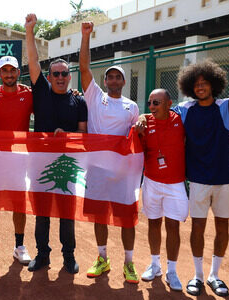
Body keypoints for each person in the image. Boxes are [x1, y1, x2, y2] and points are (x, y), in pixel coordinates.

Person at [173, 44, 229, 297]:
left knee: (223, 228)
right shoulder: (184, 109)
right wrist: (144, 117)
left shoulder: (226, 107)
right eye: (196, 84)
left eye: (204, 83)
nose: (200, 87)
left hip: (225, 180)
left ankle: (214, 275)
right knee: (197, 228)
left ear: (213, 84)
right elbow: (161, 115)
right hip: (198, 181)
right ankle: (198, 276)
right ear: (190, 86)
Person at [25, 13, 87, 274]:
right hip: (40, 160)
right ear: (49, 77)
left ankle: (68, 256)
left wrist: (68, 135)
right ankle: (42, 255)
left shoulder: (79, 101)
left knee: (66, 213)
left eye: (65, 73)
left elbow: (83, 136)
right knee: (42, 212)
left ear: (70, 76)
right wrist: (30, 30)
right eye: (56, 73)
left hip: (68, 163)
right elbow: (33, 59)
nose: (61, 77)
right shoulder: (41, 91)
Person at [78, 21, 140, 283]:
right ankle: (102, 258)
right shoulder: (94, 96)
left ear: (124, 81)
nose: (113, 80)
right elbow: (83, 66)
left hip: (123, 173)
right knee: (99, 216)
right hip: (97, 170)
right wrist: (86, 36)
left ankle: (129, 262)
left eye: (118, 76)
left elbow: (135, 137)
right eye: (110, 76)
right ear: (104, 81)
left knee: (126, 217)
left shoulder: (132, 106)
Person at [0, 55, 33, 266]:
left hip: (20, 157)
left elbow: (51, 103)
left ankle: (19, 246)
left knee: (19, 204)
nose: (9, 74)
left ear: (18, 73)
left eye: (13, 70)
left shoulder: (29, 95)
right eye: (5, 71)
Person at [135, 89, 188, 291]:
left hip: (175, 184)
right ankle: (155, 265)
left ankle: (172, 271)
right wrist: (139, 125)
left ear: (169, 103)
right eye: (149, 103)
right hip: (151, 182)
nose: (152, 107)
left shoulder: (181, 120)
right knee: (154, 223)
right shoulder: (145, 122)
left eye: (156, 102)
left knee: (173, 226)